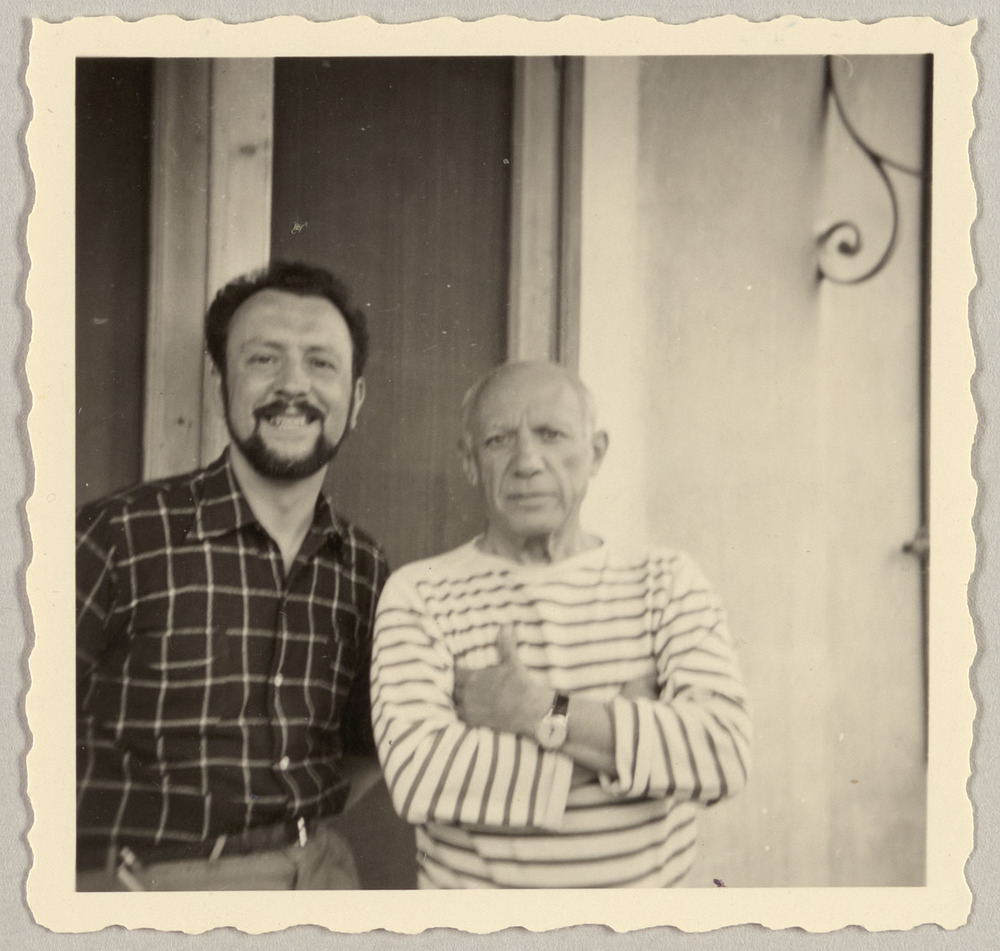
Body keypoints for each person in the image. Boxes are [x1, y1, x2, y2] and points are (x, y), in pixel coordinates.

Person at [371, 360, 750, 888]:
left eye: (551, 434)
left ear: (596, 452)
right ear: (470, 461)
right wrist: (621, 737)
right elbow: (420, 778)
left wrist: (535, 711)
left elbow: (722, 754)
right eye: (499, 439)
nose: (527, 461)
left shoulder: (665, 581)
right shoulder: (419, 594)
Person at [76, 261, 389, 890]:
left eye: (321, 363)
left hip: (321, 877)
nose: (293, 385)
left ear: (354, 400)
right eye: (264, 359)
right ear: (222, 384)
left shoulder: (365, 568)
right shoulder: (117, 535)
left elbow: (365, 746)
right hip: (151, 890)